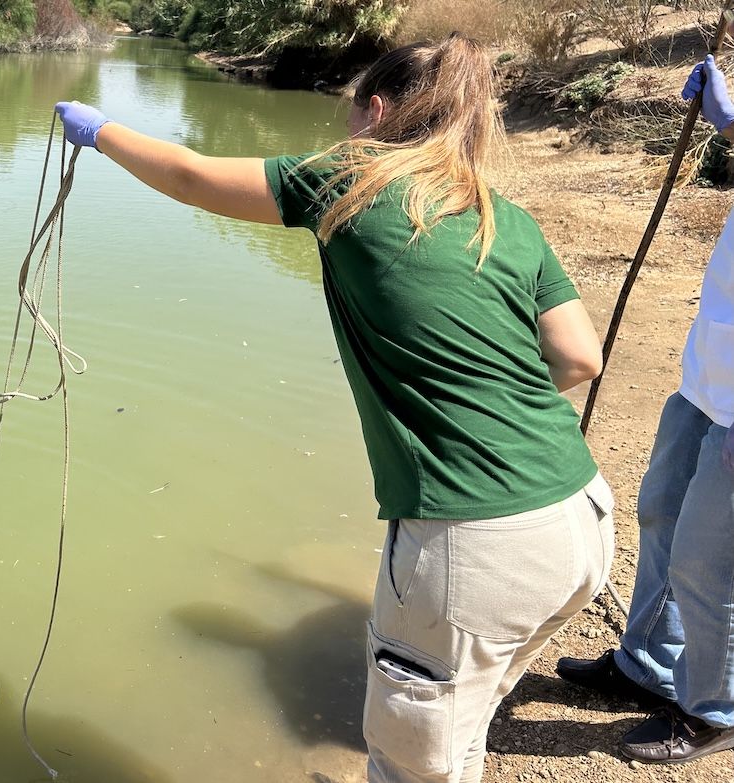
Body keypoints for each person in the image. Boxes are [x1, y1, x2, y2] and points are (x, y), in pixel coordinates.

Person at [55, 33, 614, 783]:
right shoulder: (502, 216)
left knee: (413, 765)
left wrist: (100, 133)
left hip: (473, 545)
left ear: (374, 111)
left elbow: (189, 176)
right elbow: (579, 357)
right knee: (466, 716)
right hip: (580, 518)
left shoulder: (352, 182)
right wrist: (481, 404)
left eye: (349, 113)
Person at [556, 54, 734, 765]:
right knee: (660, 510)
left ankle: (711, 709)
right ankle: (647, 664)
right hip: (708, 375)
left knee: (708, 561)